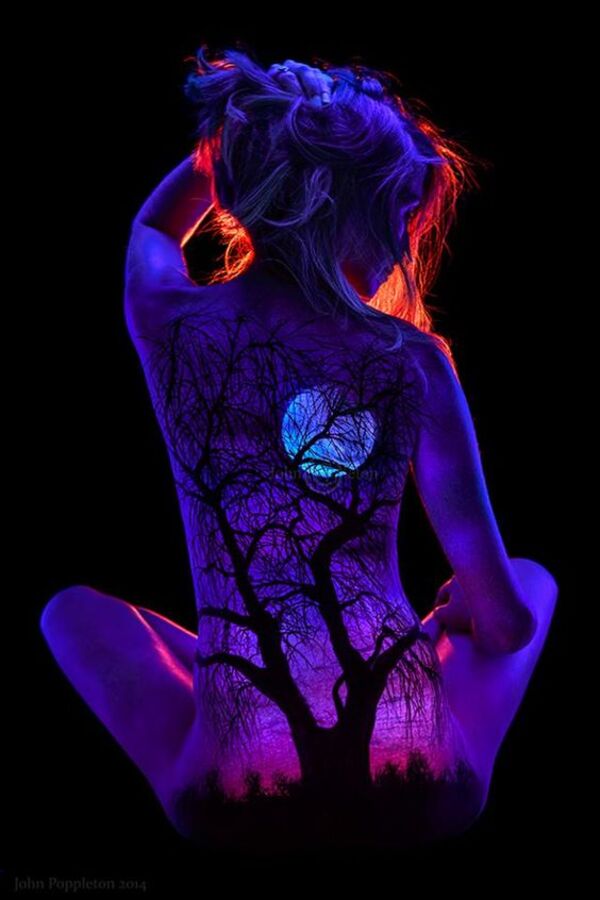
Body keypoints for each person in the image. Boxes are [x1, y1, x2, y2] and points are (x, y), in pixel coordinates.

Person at [39, 47, 558, 850]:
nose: (404, 239)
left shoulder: (169, 319)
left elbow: (154, 226)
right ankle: (376, 660)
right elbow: (506, 627)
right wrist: (457, 614)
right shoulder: (412, 361)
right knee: (530, 584)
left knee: (68, 612)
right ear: (343, 209)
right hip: (425, 785)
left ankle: (231, 686)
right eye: (398, 215)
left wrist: (247, 143)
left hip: (229, 798)